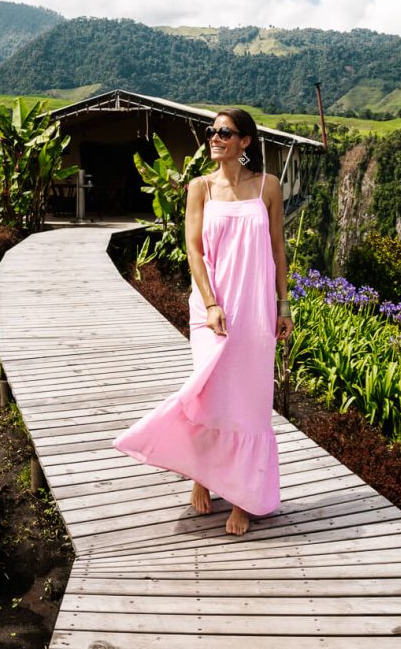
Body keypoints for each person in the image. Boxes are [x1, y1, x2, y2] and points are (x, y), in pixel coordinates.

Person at [113, 108, 294, 535]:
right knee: (207, 396)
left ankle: (244, 498)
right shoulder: (200, 188)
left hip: (254, 311)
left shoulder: (268, 187)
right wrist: (211, 304)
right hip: (210, 309)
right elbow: (194, 251)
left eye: (224, 133)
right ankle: (202, 475)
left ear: (245, 142)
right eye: (211, 132)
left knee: (248, 404)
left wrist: (284, 306)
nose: (214, 138)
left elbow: (278, 251)